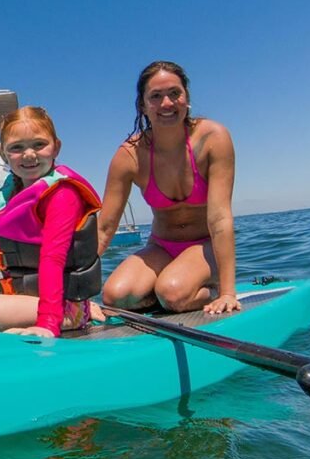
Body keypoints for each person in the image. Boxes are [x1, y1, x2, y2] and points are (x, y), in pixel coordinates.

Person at [98, 60, 239, 315]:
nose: (167, 103)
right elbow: (104, 228)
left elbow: (219, 218)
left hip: (206, 245)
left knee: (172, 293)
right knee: (115, 296)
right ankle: (166, 289)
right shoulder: (129, 155)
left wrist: (229, 292)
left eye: (175, 93)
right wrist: (71, 295)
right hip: (161, 247)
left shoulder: (213, 138)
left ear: (186, 97)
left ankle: (206, 287)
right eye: (156, 96)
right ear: (142, 105)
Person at [0, 106, 105, 337]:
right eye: (17, 148)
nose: (29, 154)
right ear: (2, 154)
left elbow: (53, 258)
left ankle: (74, 316)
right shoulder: (10, 192)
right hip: (25, 296)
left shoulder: (62, 194)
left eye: (39, 144)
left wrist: (48, 323)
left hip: (62, 306)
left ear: (56, 147)